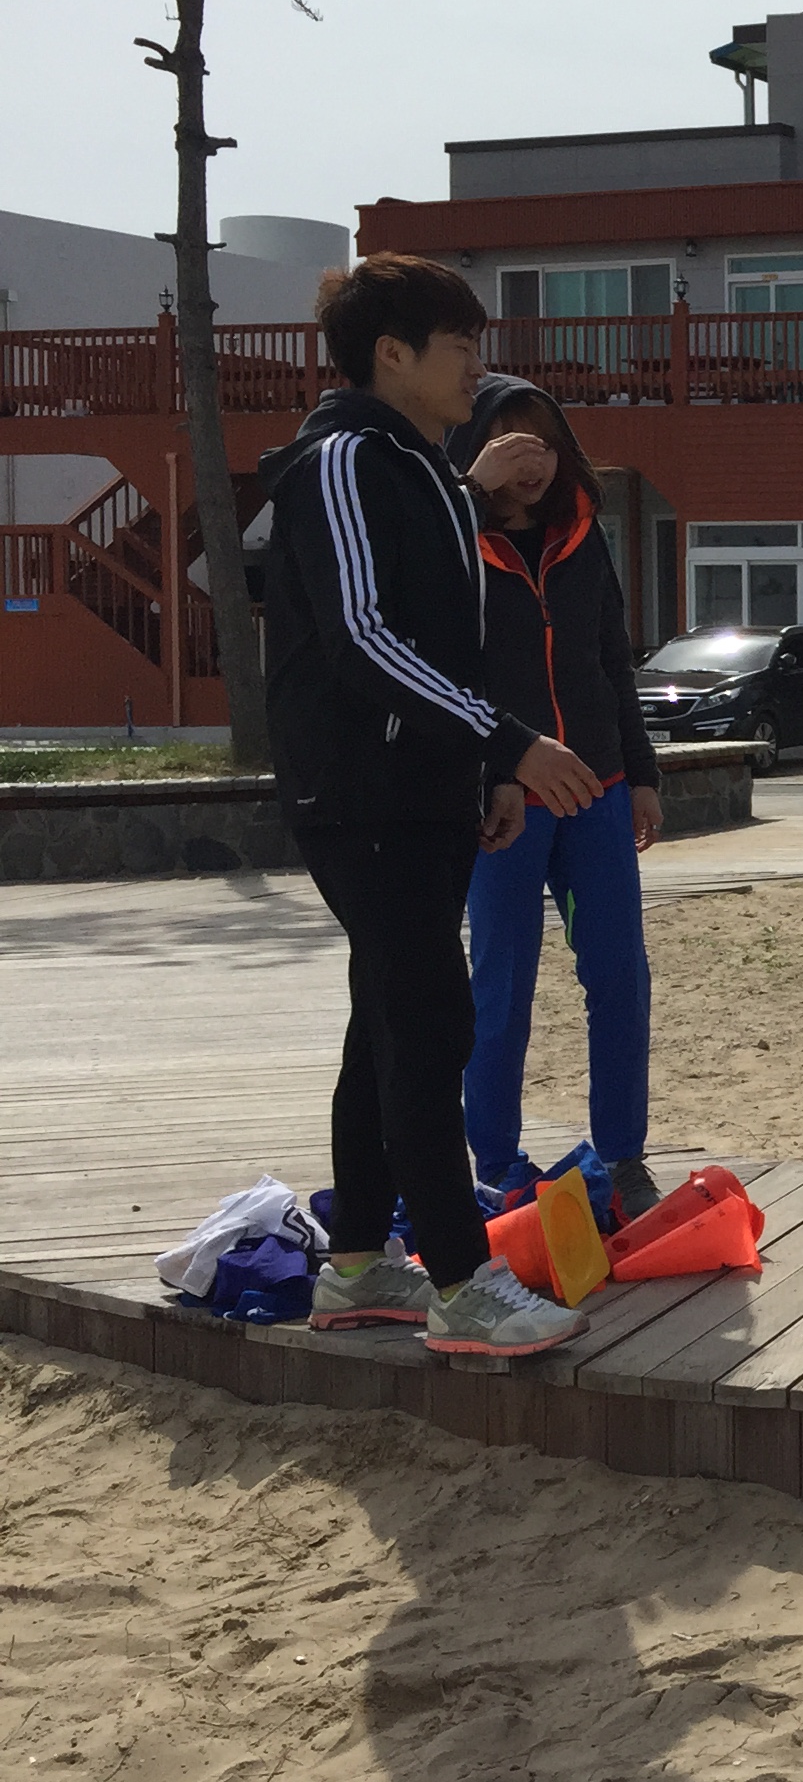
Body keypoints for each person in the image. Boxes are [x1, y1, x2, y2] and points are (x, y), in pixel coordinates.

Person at [260, 255, 601, 1359]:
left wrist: (484, 776)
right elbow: (362, 639)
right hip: (358, 793)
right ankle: (461, 1284)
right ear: (392, 354)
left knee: (388, 1019)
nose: (479, 369)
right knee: (429, 1021)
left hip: (421, 792)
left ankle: (360, 1263)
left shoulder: (422, 472)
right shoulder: (344, 459)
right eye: (461, 347)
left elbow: (453, 644)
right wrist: (513, 744)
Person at [447, 376, 666, 1219]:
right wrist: (495, 770)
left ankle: (624, 1154)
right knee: (500, 986)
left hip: (599, 790)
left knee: (619, 978)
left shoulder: (582, 535)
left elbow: (614, 659)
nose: (529, 460)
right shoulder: (453, 541)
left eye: (542, 440)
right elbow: (443, 675)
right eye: (509, 441)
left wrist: (642, 776)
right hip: (504, 799)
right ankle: (498, 1163)